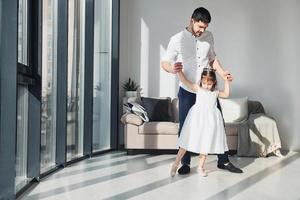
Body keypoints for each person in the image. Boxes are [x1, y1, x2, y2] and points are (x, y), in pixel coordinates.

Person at [161, 7, 242, 174]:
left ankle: (223, 161)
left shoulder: (208, 36)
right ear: (192, 20)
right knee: (186, 127)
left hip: (208, 90)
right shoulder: (177, 39)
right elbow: (165, 62)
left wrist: (222, 73)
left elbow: (212, 59)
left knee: (217, 123)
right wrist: (173, 68)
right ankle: (185, 163)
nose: (202, 30)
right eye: (200, 27)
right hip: (188, 89)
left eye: (205, 27)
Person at [171, 68, 231, 177]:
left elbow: (226, 94)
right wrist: (179, 71)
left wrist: (227, 81)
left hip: (209, 122)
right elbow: (185, 81)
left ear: (213, 83)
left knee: (205, 143)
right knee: (186, 141)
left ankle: (200, 167)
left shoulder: (215, 93)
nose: (206, 86)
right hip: (197, 120)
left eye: (209, 84)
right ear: (201, 81)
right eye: (204, 83)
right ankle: (175, 164)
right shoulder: (198, 89)